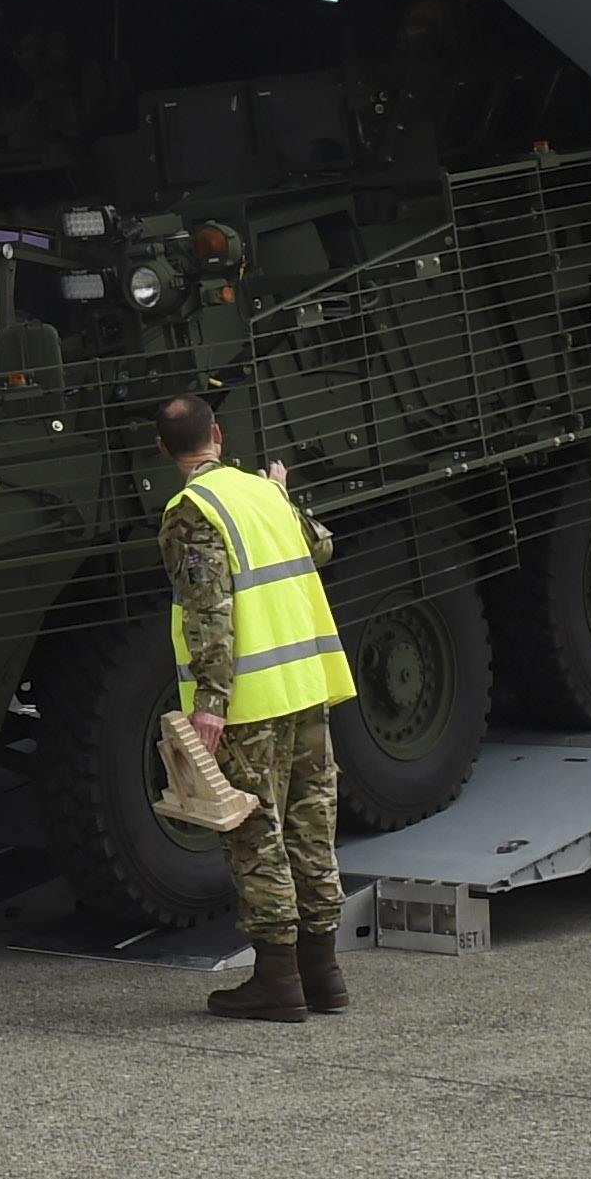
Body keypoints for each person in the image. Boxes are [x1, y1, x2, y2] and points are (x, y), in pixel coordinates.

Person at [158, 394, 354, 1023]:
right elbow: (320, 546)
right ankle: (324, 975)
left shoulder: (191, 512)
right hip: (307, 688)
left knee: (255, 835)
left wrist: (209, 706)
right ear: (218, 434)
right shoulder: (264, 492)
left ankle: (277, 980)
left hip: (249, 703)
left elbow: (208, 613)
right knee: (311, 826)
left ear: (166, 451)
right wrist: (281, 495)